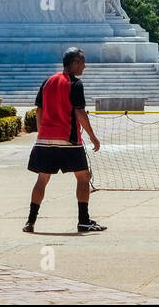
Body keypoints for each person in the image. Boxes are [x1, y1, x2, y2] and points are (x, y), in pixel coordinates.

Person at [24, 47, 104, 233]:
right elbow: (79, 112)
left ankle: (30, 222)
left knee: (42, 179)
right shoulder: (75, 84)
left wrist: (41, 131)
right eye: (82, 62)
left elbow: (39, 110)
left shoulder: (47, 81)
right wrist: (92, 136)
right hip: (69, 139)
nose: (84, 66)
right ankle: (83, 221)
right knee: (84, 177)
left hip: (45, 139)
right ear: (74, 63)